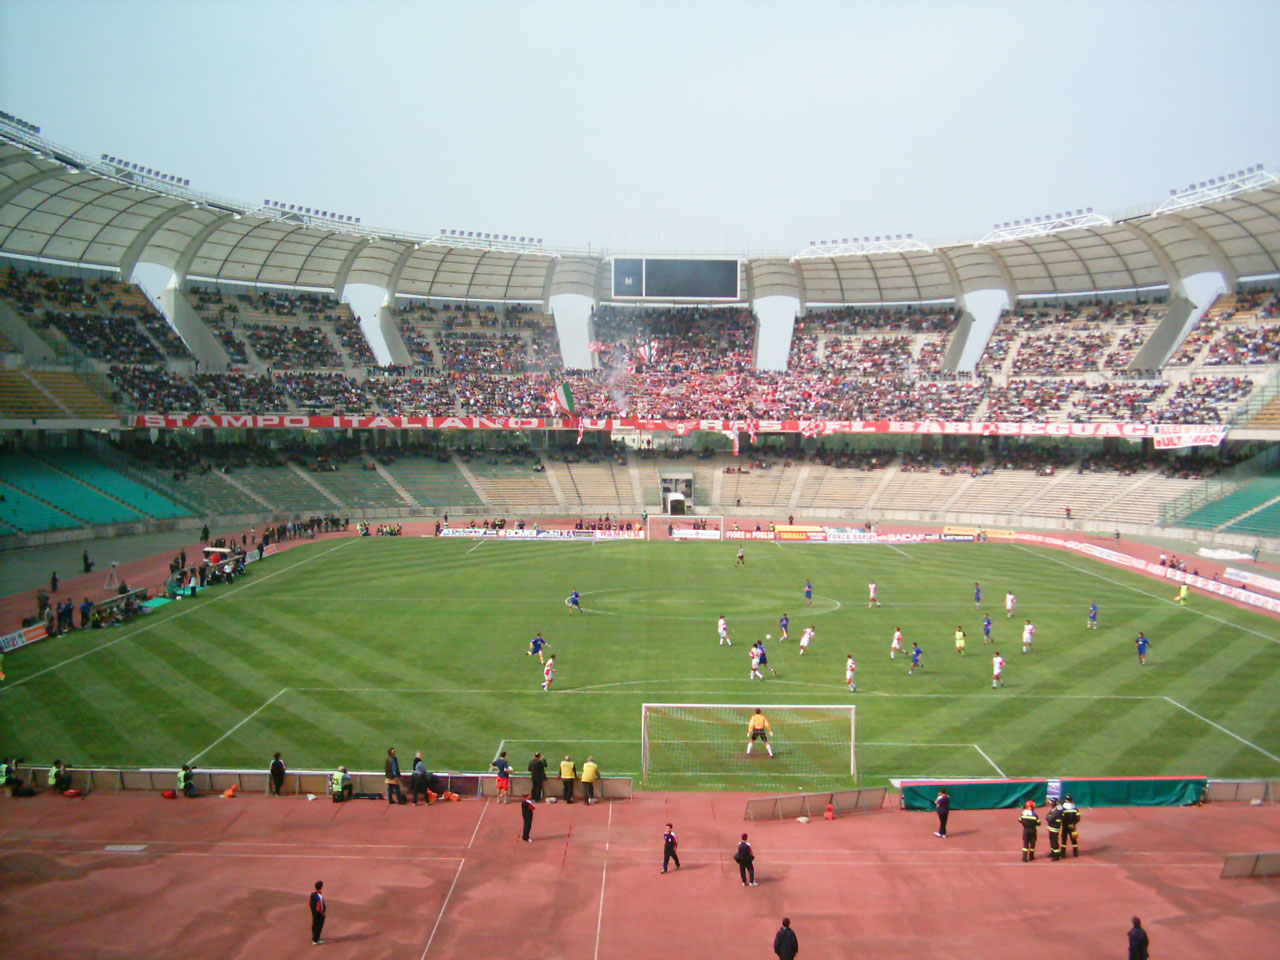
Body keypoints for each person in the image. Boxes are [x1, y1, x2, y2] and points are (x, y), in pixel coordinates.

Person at [309, 881, 326, 945]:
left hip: (314, 912)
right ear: (320, 887)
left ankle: (314, 936)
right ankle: (316, 940)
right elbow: (320, 907)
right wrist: (322, 914)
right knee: (318, 926)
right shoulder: (319, 896)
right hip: (319, 914)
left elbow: (310, 903)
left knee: (314, 924)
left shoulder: (312, 894)